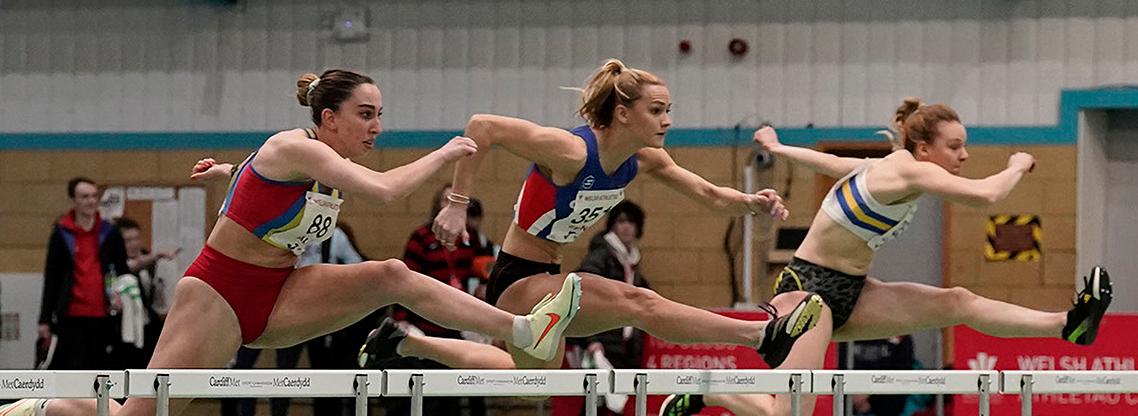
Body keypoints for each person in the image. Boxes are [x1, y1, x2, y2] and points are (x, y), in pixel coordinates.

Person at [1, 69, 581, 416]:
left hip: (279, 290)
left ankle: (521, 330)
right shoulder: (297, 147)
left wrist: (232, 176)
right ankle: (45, 408)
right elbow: (383, 192)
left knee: (390, 275)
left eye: (381, 114)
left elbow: (273, 204)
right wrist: (449, 153)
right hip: (218, 294)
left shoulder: (317, 162)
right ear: (328, 118)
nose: (376, 126)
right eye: (366, 114)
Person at [358, 59, 825, 375]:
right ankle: (760, 333)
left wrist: (752, 202)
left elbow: (707, 193)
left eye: (669, 111)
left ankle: (404, 343)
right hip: (517, 281)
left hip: (548, 280)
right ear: (622, 112)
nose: (666, 121)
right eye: (656, 111)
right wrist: (457, 203)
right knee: (636, 301)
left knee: (530, 371)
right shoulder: (572, 151)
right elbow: (484, 126)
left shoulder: (643, 159)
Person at [658, 98, 1114, 416]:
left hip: (852, 292)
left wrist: (778, 148)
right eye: (954, 147)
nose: (964, 155)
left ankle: (1068, 324)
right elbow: (983, 196)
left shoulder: (883, 167)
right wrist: (1016, 164)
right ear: (923, 149)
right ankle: (711, 391)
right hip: (806, 295)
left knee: (957, 301)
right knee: (787, 411)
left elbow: (831, 163)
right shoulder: (904, 172)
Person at [37, 177, 130, 371]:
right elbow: (52, 277)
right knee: (70, 367)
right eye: (85, 196)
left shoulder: (110, 232)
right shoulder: (62, 234)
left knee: (101, 368)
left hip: (103, 313)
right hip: (70, 314)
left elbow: (122, 270)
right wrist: (45, 318)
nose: (91, 201)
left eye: (94, 196)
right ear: (73, 200)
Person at [113, 217, 179, 367]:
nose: (133, 244)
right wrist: (157, 256)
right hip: (126, 329)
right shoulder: (117, 263)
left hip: (148, 324)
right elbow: (131, 266)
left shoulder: (147, 259)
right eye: (128, 240)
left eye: (136, 238)